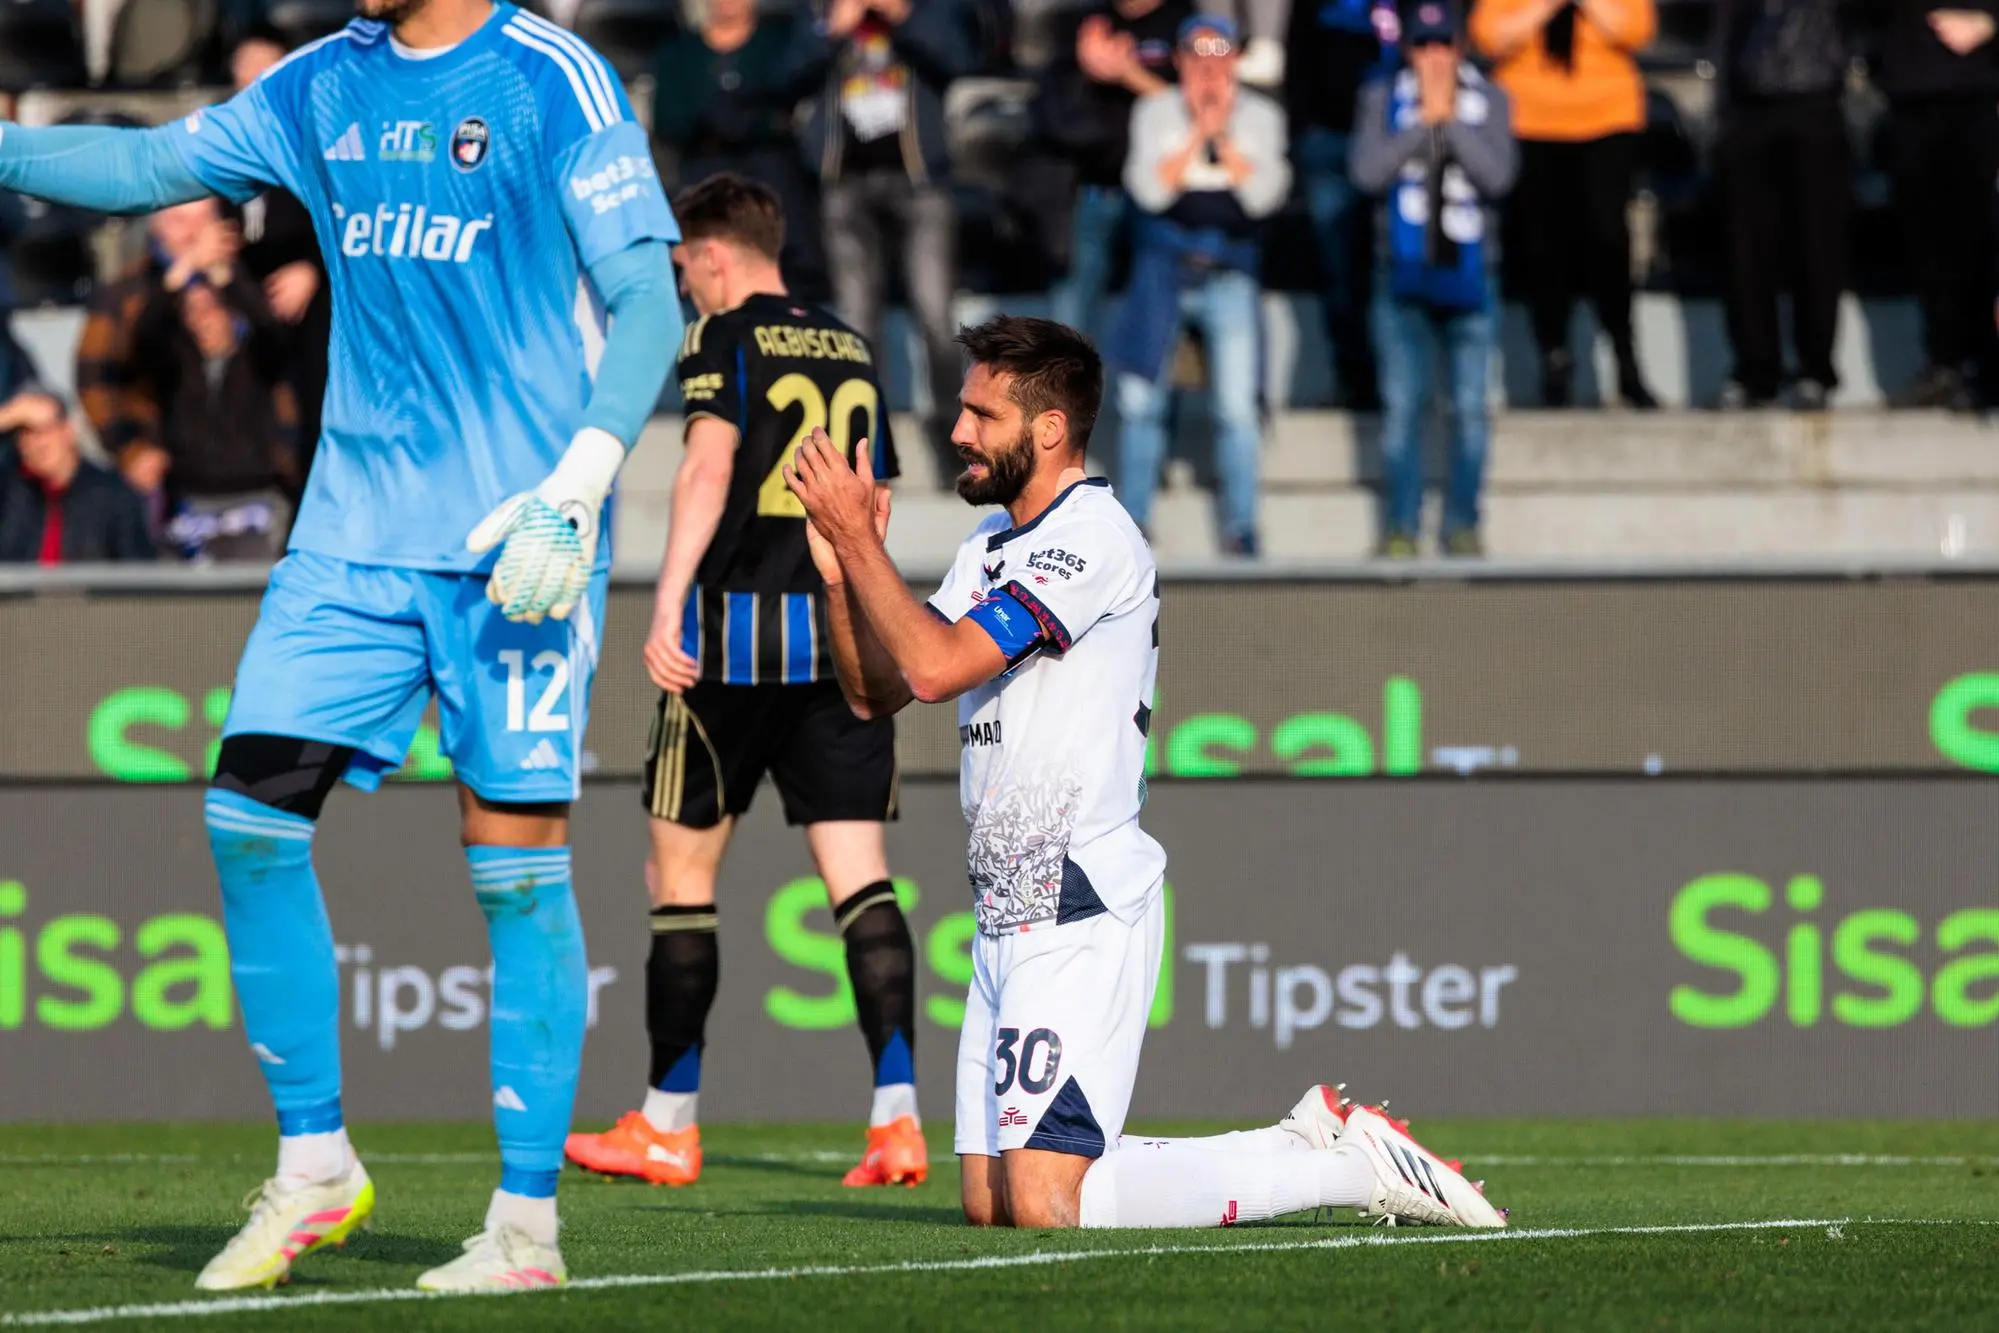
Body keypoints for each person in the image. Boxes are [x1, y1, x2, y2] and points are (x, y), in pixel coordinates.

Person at [0, 0, 681, 1294]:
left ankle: (525, 1228)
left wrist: (581, 483)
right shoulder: (325, 83)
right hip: (351, 540)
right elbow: (149, 169)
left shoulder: (554, 80)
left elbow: (647, 304)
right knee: (247, 819)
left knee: (517, 874)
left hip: (515, 544)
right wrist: (9, 147)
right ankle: (315, 1163)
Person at [784, 312, 1506, 1231]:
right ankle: (1307, 1139)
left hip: (1079, 901)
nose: (957, 431)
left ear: (1048, 429)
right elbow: (875, 690)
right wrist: (843, 573)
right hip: (1005, 908)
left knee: (1048, 1203)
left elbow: (934, 669)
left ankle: (1341, 1168)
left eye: (979, 414)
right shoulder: (986, 548)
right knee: (991, 1204)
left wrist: (862, 541)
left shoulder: (1092, 537)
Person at [563, 174, 923, 1190]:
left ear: (714, 255)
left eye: (684, 267)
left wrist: (669, 600)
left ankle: (669, 1122)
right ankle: (896, 1119)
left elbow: (706, 467)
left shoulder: (720, 337)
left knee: (679, 883)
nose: (684, 285)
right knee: (860, 876)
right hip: (837, 641)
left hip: (728, 645)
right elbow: (877, 503)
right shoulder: (853, 345)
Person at [1111, 14, 1290, 556]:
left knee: (1236, 410)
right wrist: (1196, 132)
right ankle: (1133, 524)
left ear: (1235, 63)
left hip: (1228, 272)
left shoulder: (1262, 116)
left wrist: (1224, 137)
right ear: (1181, 63)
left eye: (1220, 60)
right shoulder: (1153, 111)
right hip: (1162, 270)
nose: (1209, 73)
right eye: (1198, 59)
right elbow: (1149, 191)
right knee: (1141, 402)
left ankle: (1242, 526)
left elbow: (1263, 196)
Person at [787, 0, 980, 485]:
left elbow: (959, 62)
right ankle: (866, 455)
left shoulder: (929, 11)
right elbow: (783, 77)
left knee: (937, 318)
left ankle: (956, 443)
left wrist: (904, 18)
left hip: (920, 185)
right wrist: (831, 31)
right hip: (844, 186)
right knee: (857, 329)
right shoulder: (820, 11)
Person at [1352, 0, 1519, 557]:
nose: (1433, 57)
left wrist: (1451, 121)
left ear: (1460, 47)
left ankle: (1464, 521)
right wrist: (1422, 121)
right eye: (1422, 46)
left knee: (1470, 408)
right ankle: (1402, 524)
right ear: (1406, 49)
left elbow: (1498, 177)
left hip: (1472, 275)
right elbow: (1366, 171)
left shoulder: (1492, 99)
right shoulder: (1380, 98)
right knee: (1404, 408)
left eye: (1443, 44)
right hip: (1399, 274)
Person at [84, 197, 301, 561]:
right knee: (186, 611)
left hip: (256, 489)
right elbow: (119, 368)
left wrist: (224, 275)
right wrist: (131, 448)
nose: (196, 233)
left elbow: (276, 342)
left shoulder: (247, 279)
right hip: (183, 491)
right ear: (158, 227)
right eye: (182, 222)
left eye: (205, 220)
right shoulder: (135, 292)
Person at [1471, 0, 1657, 408]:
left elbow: (1635, 30)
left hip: (1607, 121)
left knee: (1608, 240)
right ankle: (1554, 358)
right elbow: (1490, 37)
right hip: (1530, 121)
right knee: (1543, 248)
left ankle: (1626, 362)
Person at [1711, 0, 1849, 410]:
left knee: (1817, 245)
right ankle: (1755, 371)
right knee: (1745, 249)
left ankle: (1815, 369)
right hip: (1744, 101)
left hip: (1814, 94)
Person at [1036, 0, 1195, 339]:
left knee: (1156, 316)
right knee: (1071, 314)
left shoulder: (1182, 22)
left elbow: (1196, 111)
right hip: (1092, 188)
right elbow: (1050, 113)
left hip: (1163, 192)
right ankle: (1059, 390)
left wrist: (1128, 74)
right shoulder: (1084, 22)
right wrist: (1083, 68)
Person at [652, 0, 827, 298]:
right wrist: (709, 118)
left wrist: (755, 121)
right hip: (704, 178)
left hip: (774, 182)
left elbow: (797, 91)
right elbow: (667, 120)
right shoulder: (677, 55)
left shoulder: (780, 45)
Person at [1874, 0, 1999, 410]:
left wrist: (1988, 21)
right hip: (1910, 90)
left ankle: (1984, 365)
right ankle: (1944, 363)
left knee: (1977, 236)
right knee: (1926, 240)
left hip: (1976, 89)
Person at [231, 29, 335, 482]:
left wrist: (313, 267)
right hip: (241, 306)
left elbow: (352, 220)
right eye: (245, 80)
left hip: (312, 312)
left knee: (315, 416)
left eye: (266, 77)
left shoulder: (322, 144)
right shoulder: (219, 149)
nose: (255, 90)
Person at [1287, 0, 1398, 409]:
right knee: (1339, 271)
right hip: (1328, 143)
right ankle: (1354, 377)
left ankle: (1398, 379)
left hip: (1397, 141)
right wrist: (1301, 135)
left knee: (1390, 264)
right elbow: (1297, 60)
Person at [0, 389, 155, 563]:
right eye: (26, 433)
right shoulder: (12, 492)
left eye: (45, 430)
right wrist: (6, 416)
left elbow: (140, 577)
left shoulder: (112, 494)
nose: (38, 443)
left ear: (68, 430)